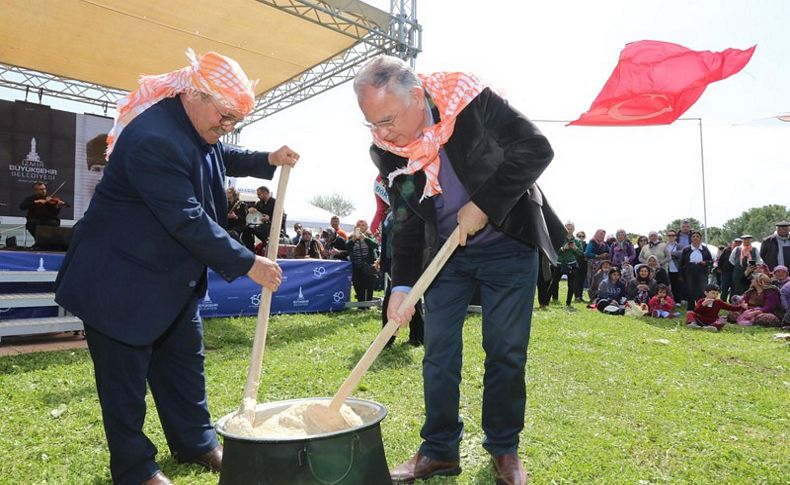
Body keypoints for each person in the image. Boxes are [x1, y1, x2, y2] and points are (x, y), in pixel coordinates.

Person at [54, 50, 298, 485]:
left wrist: (267, 159)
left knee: (184, 366)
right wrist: (247, 263)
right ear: (195, 94)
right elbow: (186, 218)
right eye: (224, 117)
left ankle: (196, 442)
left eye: (233, 121)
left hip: (169, 280)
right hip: (119, 281)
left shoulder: (195, 123)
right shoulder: (154, 137)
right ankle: (135, 469)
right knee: (124, 384)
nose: (226, 127)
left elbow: (223, 152)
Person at [354, 55, 564, 484]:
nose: (381, 133)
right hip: (446, 256)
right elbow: (408, 216)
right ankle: (439, 450)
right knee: (439, 353)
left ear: (416, 96)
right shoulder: (386, 149)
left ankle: (504, 448)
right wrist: (403, 285)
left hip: (508, 245)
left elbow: (535, 149)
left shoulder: (470, 102)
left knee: (505, 351)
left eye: (388, 120)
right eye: (371, 124)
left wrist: (485, 205)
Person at [378, 210, 424, 345]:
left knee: (393, 299)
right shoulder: (388, 213)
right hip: (393, 259)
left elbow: (405, 235)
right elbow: (386, 241)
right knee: (411, 298)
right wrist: (384, 263)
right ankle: (417, 336)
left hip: (405, 260)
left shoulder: (403, 209)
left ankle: (388, 338)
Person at [19, 181, 66, 246]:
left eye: (44, 189)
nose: (44, 191)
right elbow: (22, 207)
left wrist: (58, 206)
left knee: (53, 223)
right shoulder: (31, 198)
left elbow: (55, 213)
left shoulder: (50, 199)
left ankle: (49, 243)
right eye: (41, 189)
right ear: (36, 191)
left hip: (49, 220)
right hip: (35, 219)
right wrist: (35, 202)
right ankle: (38, 242)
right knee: (32, 223)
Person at [549, 222, 583, 308]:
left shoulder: (577, 241)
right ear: (564, 228)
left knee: (571, 285)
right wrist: (563, 248)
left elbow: (580, 254)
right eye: (567, 228)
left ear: (574, 229)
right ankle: (547, 301)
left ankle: (568, 303)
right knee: (554, 283)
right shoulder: (559, 239)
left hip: (572, 264)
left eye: (571, 228)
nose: (569, 230)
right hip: (560, 263)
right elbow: (554, 251)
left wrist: (575, 248)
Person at [680, 231, 713, 310]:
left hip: (702, 272)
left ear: (700, 238)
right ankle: (691, 308)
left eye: (697, 236)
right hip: (690, 272)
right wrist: (681, 275)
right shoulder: (686, 250)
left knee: (702, 290)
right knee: (691, 290)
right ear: (691, 238)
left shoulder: (705, 249)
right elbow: (681, 263)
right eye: (693, 236)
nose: (695, 238)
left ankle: (701, 307)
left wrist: (705, 262)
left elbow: (711, 261)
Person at [348, 225, 380, 303]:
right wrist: (353, 239)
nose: (360, 228)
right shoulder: (352, 237)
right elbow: (347, 246)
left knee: (369, 285)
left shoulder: (369, 236)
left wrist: (365, 238)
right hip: (356, 265)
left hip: (367, 265)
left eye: (362, 226)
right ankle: (360, 303)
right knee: (358, 285)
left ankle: (368, 304)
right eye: (358, 226)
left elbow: (375, 245)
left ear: (366, 228)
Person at [665, 229, 686, 305]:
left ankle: (678, 301)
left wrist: (669, 254)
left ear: (675, 237)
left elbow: (681, 254)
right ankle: (670, 300)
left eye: (673, 235)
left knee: (678, 285)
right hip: (667, 268)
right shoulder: (664, 245)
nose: (671, 237)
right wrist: (673, 254)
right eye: (669, 235)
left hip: (677, 268)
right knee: (669, 285)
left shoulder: (680, 245)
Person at [716, 238, 741, 302]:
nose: (737, 243)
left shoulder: (741, 251)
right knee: (724, 287)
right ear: (733, 243)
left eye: (739, 242)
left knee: (734, 288)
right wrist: (719, 268)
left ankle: (731, 301)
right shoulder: (727, 250)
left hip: (735, 272)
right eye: (736, 242)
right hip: (726, 272)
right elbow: (721, 259)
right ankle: (722, 302)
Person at [574, 230, 588, 302]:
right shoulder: (574, 244)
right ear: (577, 237)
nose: (581, 237)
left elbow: (588, 254)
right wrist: (583, 254)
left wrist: (586, 255)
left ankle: (580, 296)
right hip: (576, 264)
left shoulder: (587, 245)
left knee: (582, 281)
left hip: (584, 265)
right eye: (579, 236)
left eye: (582, 236)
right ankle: (576, 296)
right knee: (576, 281)